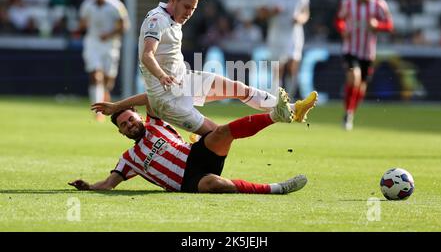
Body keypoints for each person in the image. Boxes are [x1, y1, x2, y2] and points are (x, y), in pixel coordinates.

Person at [138, 0, 317, 138]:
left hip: (183, 82)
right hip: (168, 99)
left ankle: (294, 109)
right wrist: (162, 75)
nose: (189, 13)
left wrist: (117, 105)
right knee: (220, 135)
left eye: (193, 9)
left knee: (240, 89)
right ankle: (199, 147)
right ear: (172, 0)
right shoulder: (157, 20)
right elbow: (147, 55)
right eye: (187, 7)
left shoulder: (173, 18)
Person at [68, 88, 313, 194]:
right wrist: (89, 186)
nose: (130, 124)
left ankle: (276, 114)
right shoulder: (129, 159)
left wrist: (116, 107)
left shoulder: (156, 123)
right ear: (121, 133)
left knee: (222, 132)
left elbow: (151, 96)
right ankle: (277, 189)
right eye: (124, 125)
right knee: (214, 185)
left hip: (196, 154)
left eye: (131, 119)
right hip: (189, 181)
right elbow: (109, 183)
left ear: (139, 117)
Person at [334, 0, 393, 130]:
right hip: (350, 49)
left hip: (367, 52)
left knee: (361, 87)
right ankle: (348, 113)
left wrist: (377, 26)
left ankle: (351, 111)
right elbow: (339, 19)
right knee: (355, 76)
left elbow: (389, 25)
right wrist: (342, 29)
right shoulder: (347, 3)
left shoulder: (379, 5)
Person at [78, 0, 129, 121]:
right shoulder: (87, 5)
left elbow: (124, 26)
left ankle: (105, 94)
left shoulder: (116, 5)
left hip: (111, 45)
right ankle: (98, 112)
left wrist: (109, 34)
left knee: (108, 80)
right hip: (93, 43)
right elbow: (82, 23)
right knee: (95, 75)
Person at [257, 0, 310, 99]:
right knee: (278, 69)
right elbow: (260, 14)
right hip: (276, 36)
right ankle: (278, 99)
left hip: (294, 36)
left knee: (292, 67)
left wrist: (300, 19)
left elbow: (306, 13)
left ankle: (289, 97)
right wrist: (271, 12)